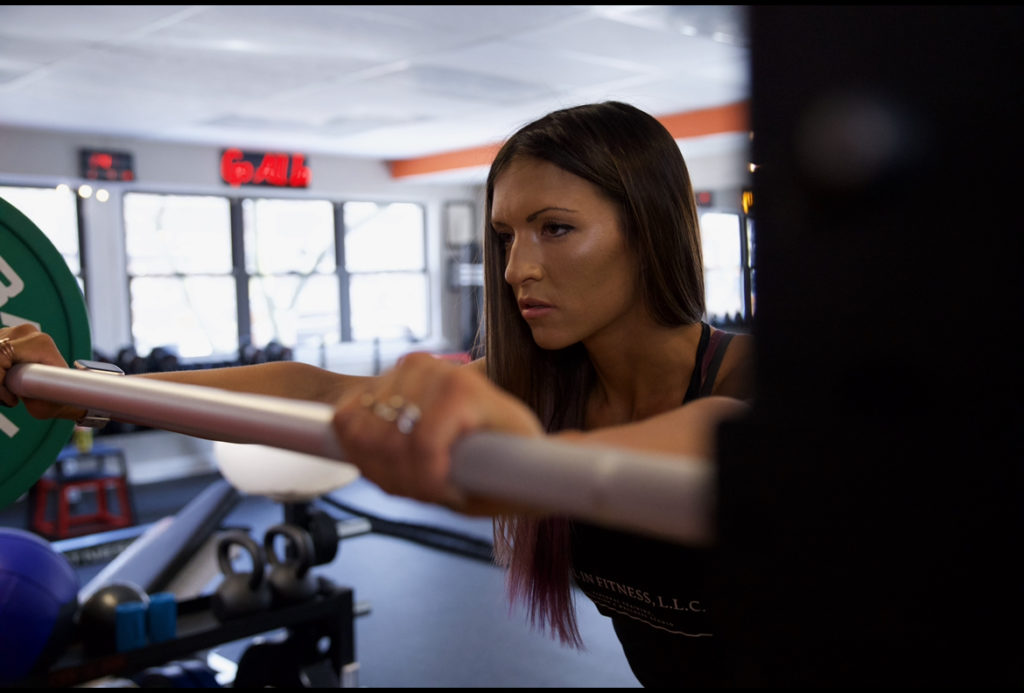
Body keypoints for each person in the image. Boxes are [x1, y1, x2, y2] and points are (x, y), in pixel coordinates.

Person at [0, 101, 754, 687]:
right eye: (505, 236)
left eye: (555, 228)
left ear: (650, 228)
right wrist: (89, 389)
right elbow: (316, 388)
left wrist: (510, 460)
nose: (518, 267)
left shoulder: (748, 379)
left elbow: (710, 445)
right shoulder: (544, 389)